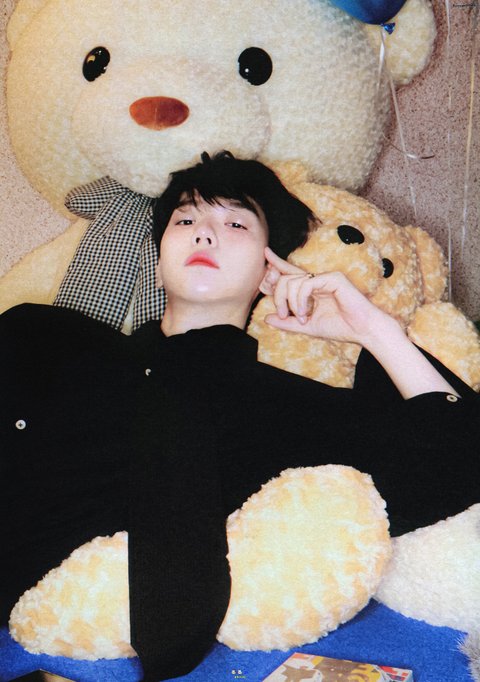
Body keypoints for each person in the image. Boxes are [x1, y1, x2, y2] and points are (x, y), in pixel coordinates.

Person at [1, 152, 478, 682]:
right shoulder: (46, 339)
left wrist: (372, 330)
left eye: (236, 224)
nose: (205, 233)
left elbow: (460, 457)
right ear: (156, 263)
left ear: (269, 270)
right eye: (185, 220)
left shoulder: (290, 413)